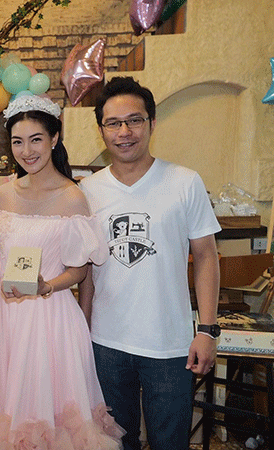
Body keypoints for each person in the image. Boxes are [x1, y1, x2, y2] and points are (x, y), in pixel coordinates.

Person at [79, 76, 221, 450]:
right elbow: (87, 272)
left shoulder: (184, 182)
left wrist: (207, 330)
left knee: (170, 442)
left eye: (134, 120)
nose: (124, 132)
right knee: (114, 443)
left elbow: (206, 256)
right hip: (106, 344)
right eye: (113, 123)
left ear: (152, 123)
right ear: (101, 130)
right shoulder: (87, 192)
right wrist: (82, 330)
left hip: (170, 346)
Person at [0, 95, 123, 450]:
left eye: (36, 140)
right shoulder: (1, 194)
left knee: (53, 420)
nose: (26, 151)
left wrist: (46, 286)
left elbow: (79, 269)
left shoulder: (72, 196)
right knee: (9, 415)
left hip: (50, 316)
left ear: (54, 138)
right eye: (18, 142)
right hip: (7, 316)